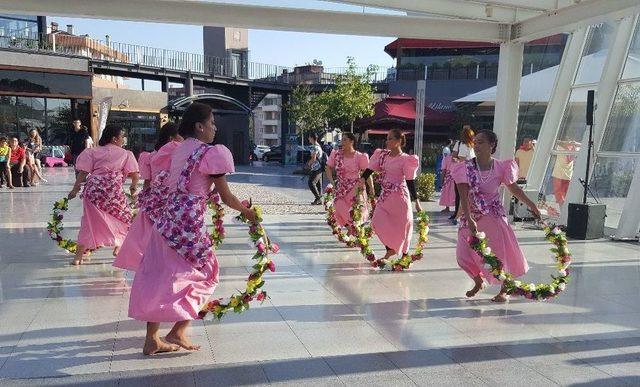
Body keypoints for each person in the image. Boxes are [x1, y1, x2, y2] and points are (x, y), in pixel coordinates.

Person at [128, 102, 257, 356]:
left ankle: (153, 338)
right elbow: (227, 196)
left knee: (160, 277)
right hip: (189, 225)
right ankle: (177, 330)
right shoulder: (211, 153)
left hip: (167, 222)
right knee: (208, 273)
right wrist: (248, 212)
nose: (214, 128)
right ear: (199, 127)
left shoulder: (179, 149)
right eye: (211, 123)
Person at [452, 130, 541, 302]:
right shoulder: (465, 167)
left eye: (481, 142)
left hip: (493, 215)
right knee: (463, 255)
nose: (476, 145)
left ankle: (504, 289)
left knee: (500, 254)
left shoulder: (502, 166)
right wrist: (468, 217)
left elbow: (514, 189)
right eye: (475, 142)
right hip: (472, 217)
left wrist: (532, 204)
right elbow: (463, 193)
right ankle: (478, 281)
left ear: (491, 145)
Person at [113, 123, 183, 272]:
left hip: (154, 199)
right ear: (172, 138)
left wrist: (145, 200)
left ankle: (153, 261)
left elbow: (147, 182)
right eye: (180, 135)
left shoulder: (149, 156)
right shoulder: (177, 151)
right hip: (168, 199)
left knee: (150, 234)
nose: (183, 138)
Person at [68, 124, 139, 266]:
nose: (123, 139)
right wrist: (133, 188)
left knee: (88, 222)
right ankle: (118, 246)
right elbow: (135, 175)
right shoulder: (126, 154)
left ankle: (78, 257)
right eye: (122, 137)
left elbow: (83, 173)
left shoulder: (92, 152)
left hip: (94, 191)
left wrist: (75, 190)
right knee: (124, 219)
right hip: (113, 192)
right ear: (114, 139)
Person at [361, 129, 422, 260]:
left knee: (403, 224)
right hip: (385, 197)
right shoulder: (382, 155)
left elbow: (410, 180)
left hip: (400, 197)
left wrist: (416, 200)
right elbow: (370, 169)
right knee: (377, 221)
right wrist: (362, 179)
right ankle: (390, 248)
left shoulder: (406, 159)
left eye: (390, 139)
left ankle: (403, 255)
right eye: (387, 138)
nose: (387, 141)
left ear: (398, 141)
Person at [325, 132, 373, 228]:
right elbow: (328, 167)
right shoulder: (336, 154)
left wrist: (371, 187)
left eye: (345, 139)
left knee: (356, 212)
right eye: (342, 139)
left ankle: (356, 231)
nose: (342, 142)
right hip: (341, 188)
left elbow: (366, 173)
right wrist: (332, 182)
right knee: (338, 207)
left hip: (355, 188)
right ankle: (351, 229)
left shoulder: (360, 156)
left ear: (352, 141)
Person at [450, 125, 476, 223]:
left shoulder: (471, 146)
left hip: (465, 172)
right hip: (466, 172)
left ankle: (458, 216)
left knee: (464, 195)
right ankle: (458, 216)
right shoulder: (465, 146)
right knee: (464, 195)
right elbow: (461, 158)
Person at [551, 140, 580, 205]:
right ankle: (561, 208)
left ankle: (564, 208)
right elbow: (556, 141)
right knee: (559, 195)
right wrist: (567, 143)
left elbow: (584, 145)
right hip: (560, 175)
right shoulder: (561, 148)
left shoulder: (573, 149)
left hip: (565, 176)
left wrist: (575, 143)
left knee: (565, 194)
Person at [307, 132, 325, 205]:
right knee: (318, 184)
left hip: (316, 168)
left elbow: (313, 158)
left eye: (309, 137)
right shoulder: (318, 145)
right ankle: (319, 200)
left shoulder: (314, 146)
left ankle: (318, 198)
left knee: (311, 183)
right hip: (320, 167)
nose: (308, 138)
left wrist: (309, 163)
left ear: (312, 138)